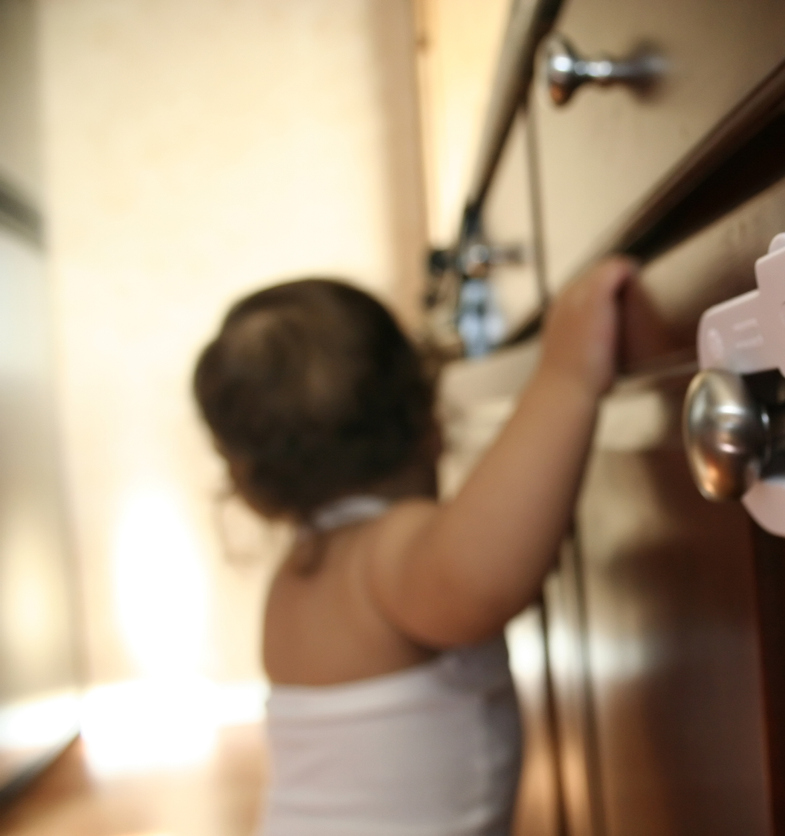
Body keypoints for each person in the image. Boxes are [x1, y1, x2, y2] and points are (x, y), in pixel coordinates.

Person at [193, 257, 636, 836]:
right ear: (429, 416)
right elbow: (486, 578)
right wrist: (565, 377)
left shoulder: (307, 573)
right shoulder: (382, 559)